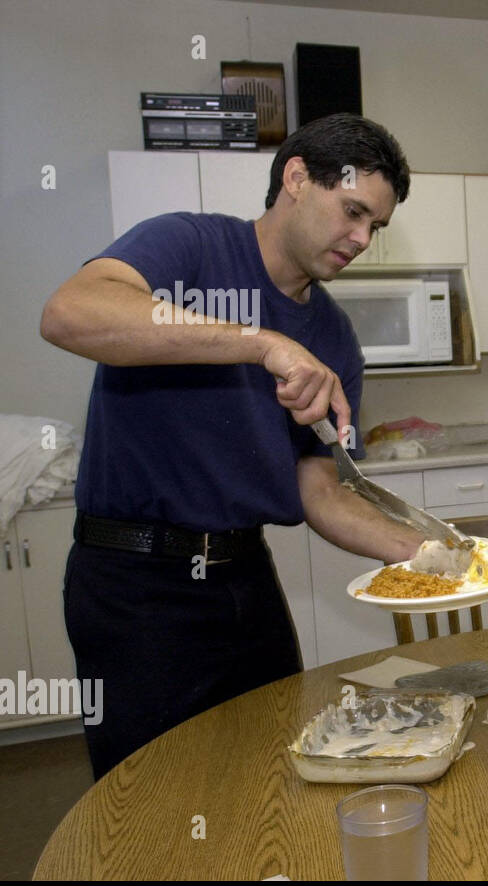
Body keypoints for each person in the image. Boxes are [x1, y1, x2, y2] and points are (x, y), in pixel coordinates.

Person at [41, 114, 427, 778]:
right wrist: (261, 343)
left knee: (274, 774)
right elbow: (70, 311)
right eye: (354, 212)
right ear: (297, 178)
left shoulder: (335, 339)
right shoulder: (188, 245)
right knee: (149, 798)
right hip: (134, 582)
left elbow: (319, 491)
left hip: (246, 578)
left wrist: (432, 553)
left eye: (377, 227)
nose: (363, 239)